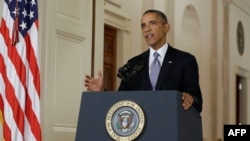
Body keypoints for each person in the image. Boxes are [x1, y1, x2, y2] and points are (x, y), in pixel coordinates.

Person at [84, 9, 203, 113]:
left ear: (166, 27)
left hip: (170, 128)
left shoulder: (185, 60)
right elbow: (121, 100)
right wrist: (101, 92)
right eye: (143, 26)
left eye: (152, 23)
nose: (147, 29)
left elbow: (197, 102)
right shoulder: (133, 63)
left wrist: (191, 99)